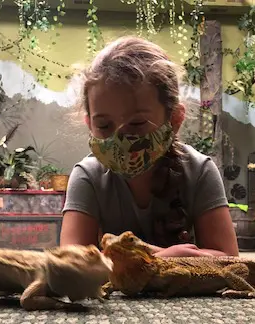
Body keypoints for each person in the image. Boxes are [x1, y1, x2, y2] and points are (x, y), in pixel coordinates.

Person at [59, 36, 239, 257]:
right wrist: (161, 259)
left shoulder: (199, 171)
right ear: (89, 124)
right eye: (104, 125)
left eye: (137, 123)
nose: (120, 139)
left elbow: (230, 260)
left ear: (174, 119)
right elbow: (71, 263)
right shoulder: (89, 176)